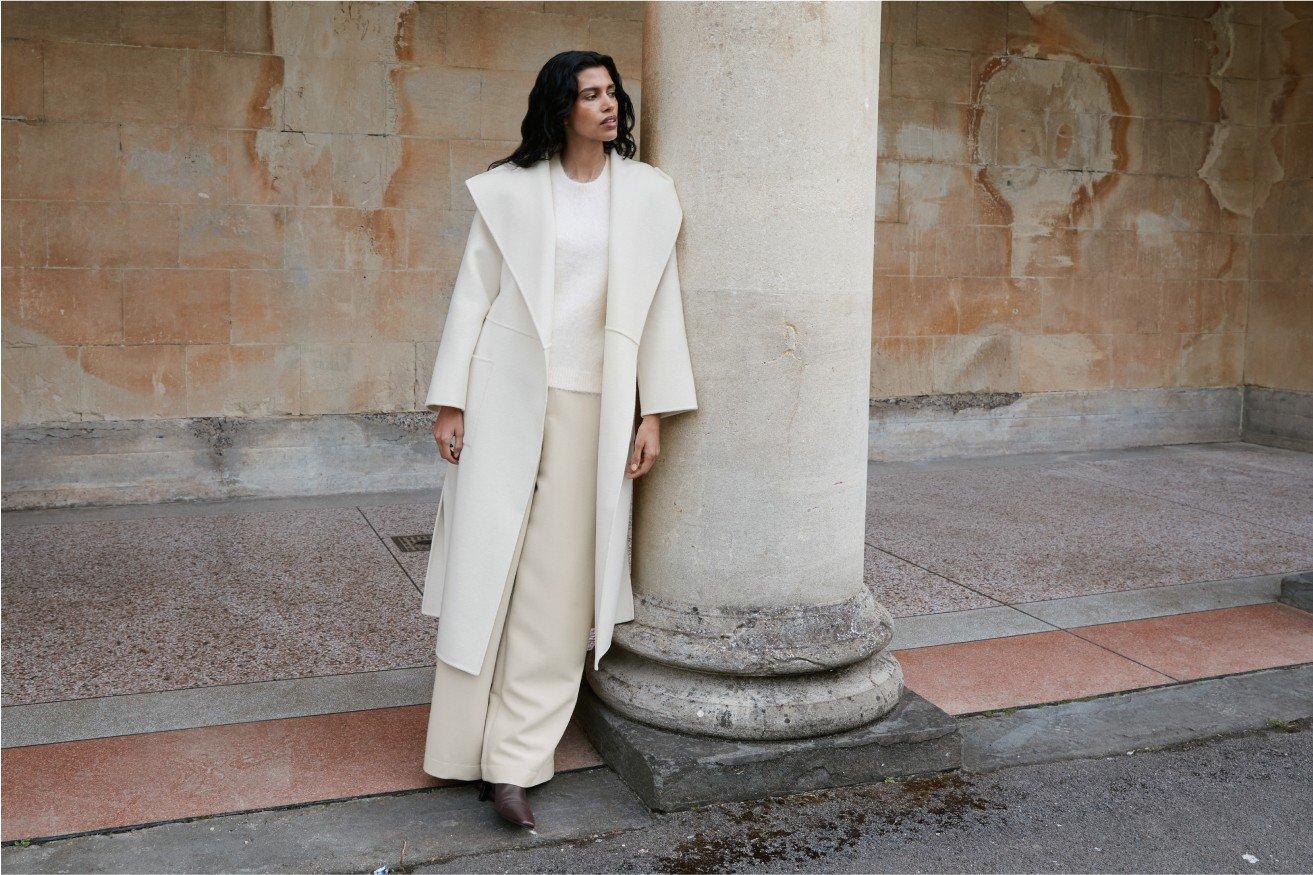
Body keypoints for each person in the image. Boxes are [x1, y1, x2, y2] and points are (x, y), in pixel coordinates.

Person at [418, 50, 698, 830]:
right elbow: (472, 293)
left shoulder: (646, 195)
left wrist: (653, 411)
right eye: (589, 95)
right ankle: (458, 745)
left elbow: (660, 305)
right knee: (484, 564)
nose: (608, 107)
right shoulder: (511, 190)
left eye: (613, 94)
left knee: (555, 582)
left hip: (594, 404)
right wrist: (450, 402)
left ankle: (512, 759)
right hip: (503, 391)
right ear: (559, 107)